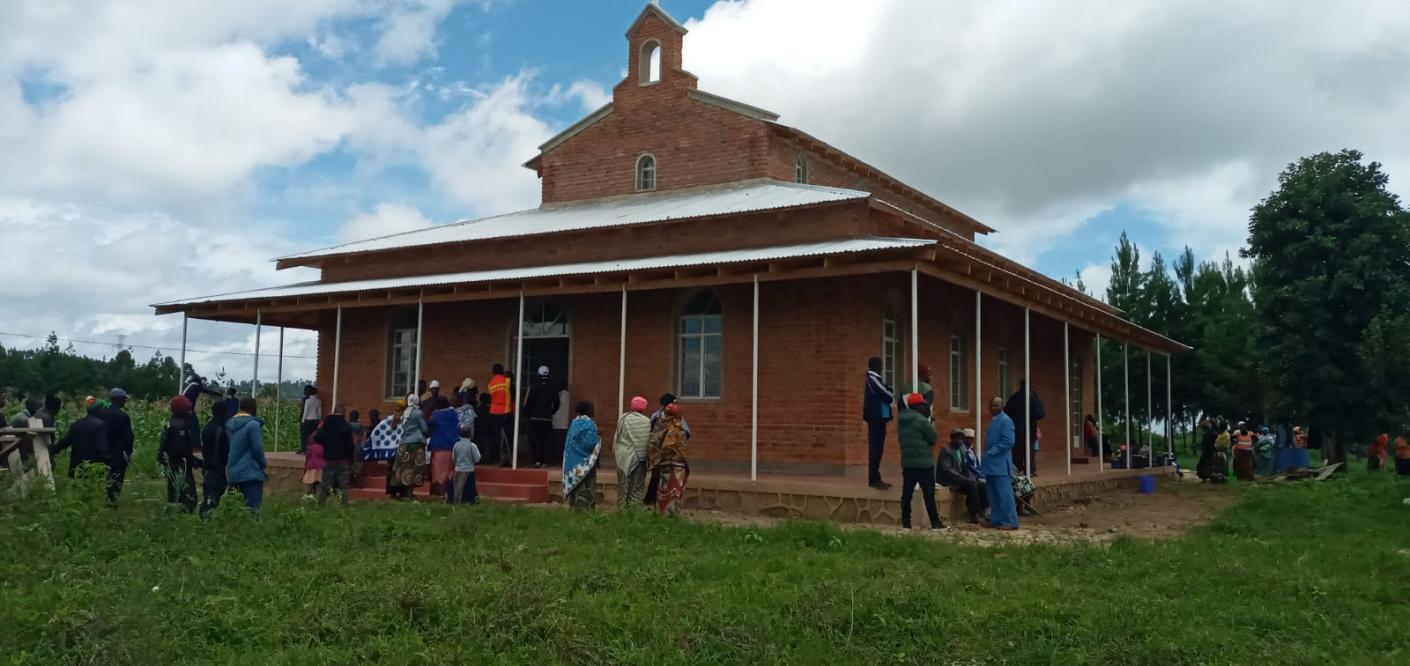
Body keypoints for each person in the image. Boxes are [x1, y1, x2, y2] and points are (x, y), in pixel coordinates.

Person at [897, 393, 947, 531]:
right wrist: (930, 424)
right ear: (918, 406)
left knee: (907, 493)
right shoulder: (922, 421)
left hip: (908, 463)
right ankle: (935, 522)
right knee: (929, 493)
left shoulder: (901, 420)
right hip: (924, 463)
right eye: (922, 404)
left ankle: (906, 523)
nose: (924, 406)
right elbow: (933, 438)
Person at [645, 393, 692, 506]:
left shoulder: (655, 416)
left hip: (658, 454)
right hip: (670, 455)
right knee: (670, 480)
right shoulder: (677, 419)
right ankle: (663, 503)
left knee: (657, 478)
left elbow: (650, 434)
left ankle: (651, 501)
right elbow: (686, 433)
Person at [156, 396, 201, 511]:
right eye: (187, 409)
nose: (190, 412)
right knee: (188, 496)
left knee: (174, 492)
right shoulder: (179, 426)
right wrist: (195, 460)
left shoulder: (171, 423)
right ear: (181, 410)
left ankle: (173, 516)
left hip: (172, 463)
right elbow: (180, 449)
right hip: (180, 465)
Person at [981, 397, 1018, 530]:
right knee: (992, 495)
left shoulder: (1006, 421)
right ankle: (996, 520)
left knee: (1004, 494)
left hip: (1001, 465)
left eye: (996, 405)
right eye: (991, 405)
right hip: (991, 465)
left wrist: (992, 451)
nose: (993, 408)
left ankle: (1010, 521)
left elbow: (1009, 441)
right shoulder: (994, 421)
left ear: (1002, 407)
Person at [226, 398, 268, 514]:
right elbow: (257, 448)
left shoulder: (230, 424)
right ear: (253, 408)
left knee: (233, 509)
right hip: (251, 472)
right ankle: (251, 531)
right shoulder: (252, 424)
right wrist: (263, 464)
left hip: (233, 471)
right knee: (252, 510)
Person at [938, 428, 988, 524]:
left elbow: (965, 468)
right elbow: (947, 470)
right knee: (971, 485)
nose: (960, 441)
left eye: (961, 439)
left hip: (960, 479)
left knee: (981, 485)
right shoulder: (946, 450)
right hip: (950, 479)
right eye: (958, 439)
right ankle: (975, 514)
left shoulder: (960, 450)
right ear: (952, 439)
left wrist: (971, 478)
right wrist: (965, 479)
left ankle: (982, 511)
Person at [53, 399, 111, 479]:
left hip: (77, 468)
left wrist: (53, 449)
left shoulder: (76, 424)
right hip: (93, 469)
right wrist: (110, 462)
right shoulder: (100, 425)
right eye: (105, 410)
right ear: (99, 410)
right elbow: (102, 448)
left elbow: (64, 442)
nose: (106, 412)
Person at [562, 401, 603, 510]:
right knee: (585, 485)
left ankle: (573, 506)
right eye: (592, 409)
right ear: (588, 411)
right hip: (584, 463)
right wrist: (599, 437)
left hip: (572, 461)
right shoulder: (588, 424)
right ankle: (584, 509)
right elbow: (589, 443)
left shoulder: (574, 423)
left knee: (576, 486)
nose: (593, 411)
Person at [613, 396, 652, 509]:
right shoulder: (646, 422)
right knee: (637, 486)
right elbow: (646, 442)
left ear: (632, 406)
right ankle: (634, 510)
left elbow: (618, 438)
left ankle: (622, 510)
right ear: (644, 408)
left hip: (623, 457)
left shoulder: (623, 419)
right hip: (640, 459)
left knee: (623, 485)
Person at [862, 356, 895, 490]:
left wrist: (889, 391)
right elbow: (886, 393)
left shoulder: (876, 378)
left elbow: (887, 390)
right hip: (875, 417)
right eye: (881, 365)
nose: (882, 367)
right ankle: (873, 479)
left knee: (879, 449)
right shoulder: (872, 377)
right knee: (875, 449)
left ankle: (876, 477)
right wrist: (890, 393)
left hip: (881, 417)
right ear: (877, 365)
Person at [315, 406, 354, 507]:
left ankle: (321, 505)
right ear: (344, 413)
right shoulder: (347, 426)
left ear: (333, 412)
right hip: (343, 460)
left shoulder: (326, 424)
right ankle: (343, 505)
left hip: (329, 459)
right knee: (343, 485)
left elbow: (318, 438)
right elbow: (350, 446)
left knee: (325, 484)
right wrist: (351, 460)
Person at [391, 394, 429, 500]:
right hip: (416, 443)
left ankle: (402, 492)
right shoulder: (418, 413)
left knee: (403, 467)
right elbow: (425, 429)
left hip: (404, 443)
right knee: (414, 468)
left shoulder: (404, 412)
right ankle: (409, 493)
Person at [1003, 381, 1045, 476]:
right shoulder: (1033, 396)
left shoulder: (1014, 397)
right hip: (1030, 430)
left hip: (1016, 431)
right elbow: (1040, 413)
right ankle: (1029, 470)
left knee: (1017, 453)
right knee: (1029, 452)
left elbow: (1006, 412)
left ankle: (1017, 469)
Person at [100, 388, 134, 503]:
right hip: (118, 454)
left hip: (103, 451)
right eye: (124, 399)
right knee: (116, 479)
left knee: (105, 477)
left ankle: (105, 499)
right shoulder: (123, 416)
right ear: (118, 399)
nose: (125, 401)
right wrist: (128, 453)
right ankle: (112, 501)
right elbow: (128, 437)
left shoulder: (103, 413)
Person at [523, 366, 560, 468]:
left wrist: (527, 415)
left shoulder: (533, 387)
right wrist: (551, 412)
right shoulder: (553, 387)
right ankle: (544, 461)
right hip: (546, 419)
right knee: (546, 441)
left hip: (534, 419)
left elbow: (526, 403)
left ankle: (537, 460)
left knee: (535, 441)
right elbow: (557, 403)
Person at [199, 401, 231, 517]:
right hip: (215, 467)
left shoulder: (208, 426)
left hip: (208, 465)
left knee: (211, 494)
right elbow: (221, 450)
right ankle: (206, 520)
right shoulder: (220, 430)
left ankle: (205, 518)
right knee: (211, 497)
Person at [427, 395, 460, 495]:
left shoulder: (435, 415)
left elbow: (428, 426)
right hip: (453, 445)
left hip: (439, 447)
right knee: (450, 471)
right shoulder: (454, 413)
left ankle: (439, 494)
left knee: (438, 472)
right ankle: (450, 494)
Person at [449, 427, 482, 504]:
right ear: (470, 434)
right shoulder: (472, 446)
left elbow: (453, 458)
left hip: (458, 470)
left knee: (457, 488)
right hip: (469, 470)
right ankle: (469, 502)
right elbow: (477, 458)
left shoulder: (456, 445)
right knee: (469, 489)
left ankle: (456, 501)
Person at [487, 364, 512, 466]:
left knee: (495, 436)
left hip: (493, 411)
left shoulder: (490, 383)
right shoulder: (507, 381)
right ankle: (510, 458)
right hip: (505, 410)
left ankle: (496, 458)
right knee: (509, 436)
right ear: (501, 371)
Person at [474, 392, 497, 464]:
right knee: (487, 447)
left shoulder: (476, 409)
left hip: (478, 431)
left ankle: (478, 461)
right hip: (487, 431)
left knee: (478, 447)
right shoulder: (491, 409)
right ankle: (486, 461)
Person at [299, 385, 321, 455]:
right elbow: (320, 412)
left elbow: (305, 412)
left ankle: (306, 450)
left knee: (306, 436)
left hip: (308, 420)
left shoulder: (308, 401)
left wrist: (303, 421)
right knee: (314, 436)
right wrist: (319, 420)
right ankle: (313, 450)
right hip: (316, 420)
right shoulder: (318, 401)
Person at [552, 386, 570, 464]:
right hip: (561, 422)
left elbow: (557, 405)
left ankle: (558, 458)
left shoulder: (562, 395)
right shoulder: (564, 394)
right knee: (559, 441)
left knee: (558, 442)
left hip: (559, 421)